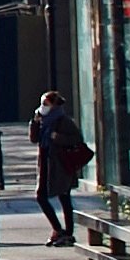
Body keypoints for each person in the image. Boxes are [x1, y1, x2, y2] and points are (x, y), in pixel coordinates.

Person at [28, 90, 89, 248]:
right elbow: (34, 139)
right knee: (41, 196)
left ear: (54, 105)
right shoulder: (43, 120)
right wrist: (34, 122)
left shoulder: (64, 121)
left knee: (64, 196)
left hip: (61, 164)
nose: (43, 108)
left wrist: (59, 138)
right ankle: (57, 228)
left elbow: (77, 139)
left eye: (46, 104)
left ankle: (68, 233)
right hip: (46, 163)